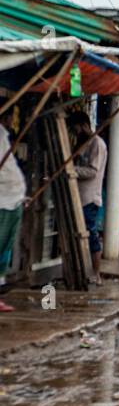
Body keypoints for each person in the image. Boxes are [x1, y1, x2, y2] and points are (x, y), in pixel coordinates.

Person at [70, 112, 106, 283]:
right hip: (78, 196)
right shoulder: (82, 144)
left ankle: (96, 273)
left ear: (84, 125)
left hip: (89, 197)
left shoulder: (97, 144)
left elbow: (93, 171)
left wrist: (72, 171)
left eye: (76, 128)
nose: (75, 133)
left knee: (91, 235)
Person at [0, 116, 27, 312]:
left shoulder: (4, 135)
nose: (12, 120)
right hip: (3, 202)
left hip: (13, 200)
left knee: (4, 250)